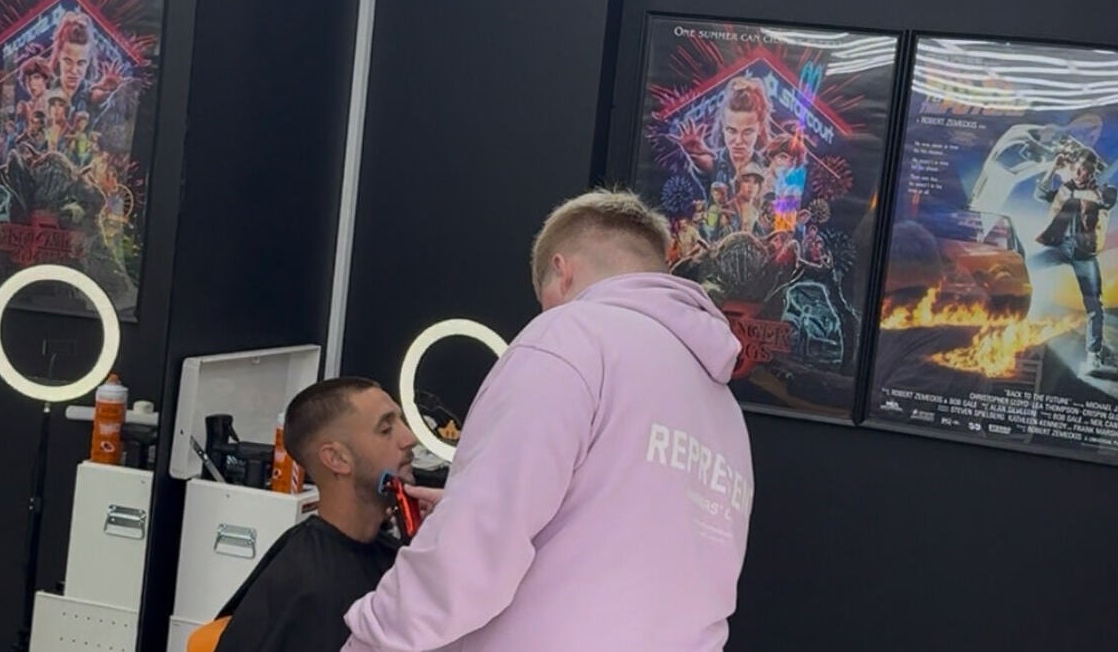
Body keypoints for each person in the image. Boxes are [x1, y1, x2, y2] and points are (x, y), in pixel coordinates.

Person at [342, 189, 755, 652]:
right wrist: (486, 497)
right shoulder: (719, 404)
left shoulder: (570, 336)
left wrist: (370, 643)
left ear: (562, 271)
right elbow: (637, 532)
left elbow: (472, 550)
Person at [209, 377, 418, 652]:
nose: (409, 439)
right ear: (337, 459)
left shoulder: (395, 556)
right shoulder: (302, 585)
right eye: (386, 429)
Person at [1033, 148, 1118, 373]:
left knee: (1093, 306)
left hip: (1084, 254)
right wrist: (1052, 167)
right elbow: (1040, 195)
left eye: (1085, 169)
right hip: (1061, 247)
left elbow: (1103, 200)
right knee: (1028, 266)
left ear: (1092, 172)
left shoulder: (1103, 191)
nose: (1080, 172)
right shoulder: (1066, 188)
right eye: (1077, 167)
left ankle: (1093, 354)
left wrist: (1070, 187)